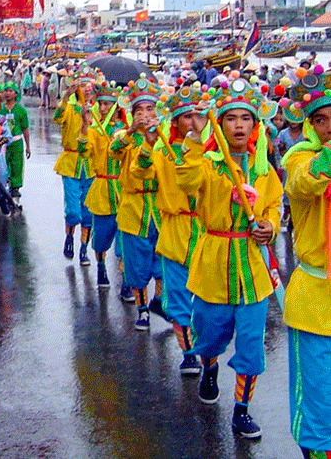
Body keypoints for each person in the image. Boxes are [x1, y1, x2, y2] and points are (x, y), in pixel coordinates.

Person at [175, 77, 282, 438]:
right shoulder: (207, 163)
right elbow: (186, 182)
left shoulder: (263, 166)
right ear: (220, 124)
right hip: (214, 260)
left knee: (252, 344)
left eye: (246, 118)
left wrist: (269, 225)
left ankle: (241, 409)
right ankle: (209, 366)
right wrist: (193, 138)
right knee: (209, 333)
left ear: (255, 124)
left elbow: (274, 205)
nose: (239, 125)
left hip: (252, 266)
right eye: (231, 118)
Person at [132, 83, 206, 373]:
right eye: (187, 117)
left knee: (207, 299)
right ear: (175, 122)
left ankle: (206, 355)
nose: (193, 121)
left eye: (197, 116)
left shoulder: (209, 153)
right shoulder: (161, 151)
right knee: (177, 296)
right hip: (175, 228)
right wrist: (149, 144)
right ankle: (188, 353)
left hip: (205, 229)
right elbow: (139, 172)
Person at [277, 70, 331, 458]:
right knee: (316, 400)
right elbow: (303, 184)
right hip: (315, 300)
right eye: (322, 119)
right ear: (308, 124)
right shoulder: (300, 156)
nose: (330, 126)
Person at [109, 75, 164, 329]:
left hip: (160, 207)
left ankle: (159, 301)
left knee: (163, 261)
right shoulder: (125, 135)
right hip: (134, 208)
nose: (145, 114)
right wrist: (131, 131)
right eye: (139, 110)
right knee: (137, 264)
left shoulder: (164, 136)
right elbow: (114, 152)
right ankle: (142, 310)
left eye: (150, 109)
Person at [77, 78, 124, 288]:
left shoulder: (126, 130)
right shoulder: (95, 130)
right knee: (101, 236)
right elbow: (83, 152)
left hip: (124, 189)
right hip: (103, 187)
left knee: (125, 241)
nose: (103, 108)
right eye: (101, 103)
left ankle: (125, 282)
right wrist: (85, 125)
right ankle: (101, 267)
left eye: (107, 104)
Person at [53, 71, 96, 264]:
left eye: (90, 86)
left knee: (88, 213)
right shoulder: (69, 107)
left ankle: (84, 248)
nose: (87, 89)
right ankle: (69, 236)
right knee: (73, 211)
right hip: (71, 163)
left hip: (92, 166)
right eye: (84, 85)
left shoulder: (99, 111)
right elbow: (57, 117)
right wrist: (65, 97)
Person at [0, 79, 31, 203]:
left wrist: (28, 146)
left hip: (17, 142)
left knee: (17, 164)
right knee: (3, 164)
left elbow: (25, 129)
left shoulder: (20, 110)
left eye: (10, 91)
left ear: (16, 93)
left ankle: (15, 187)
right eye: (6, 91)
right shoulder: (0, 110)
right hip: (3, 143)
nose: (7, 93)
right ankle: (3, 185)